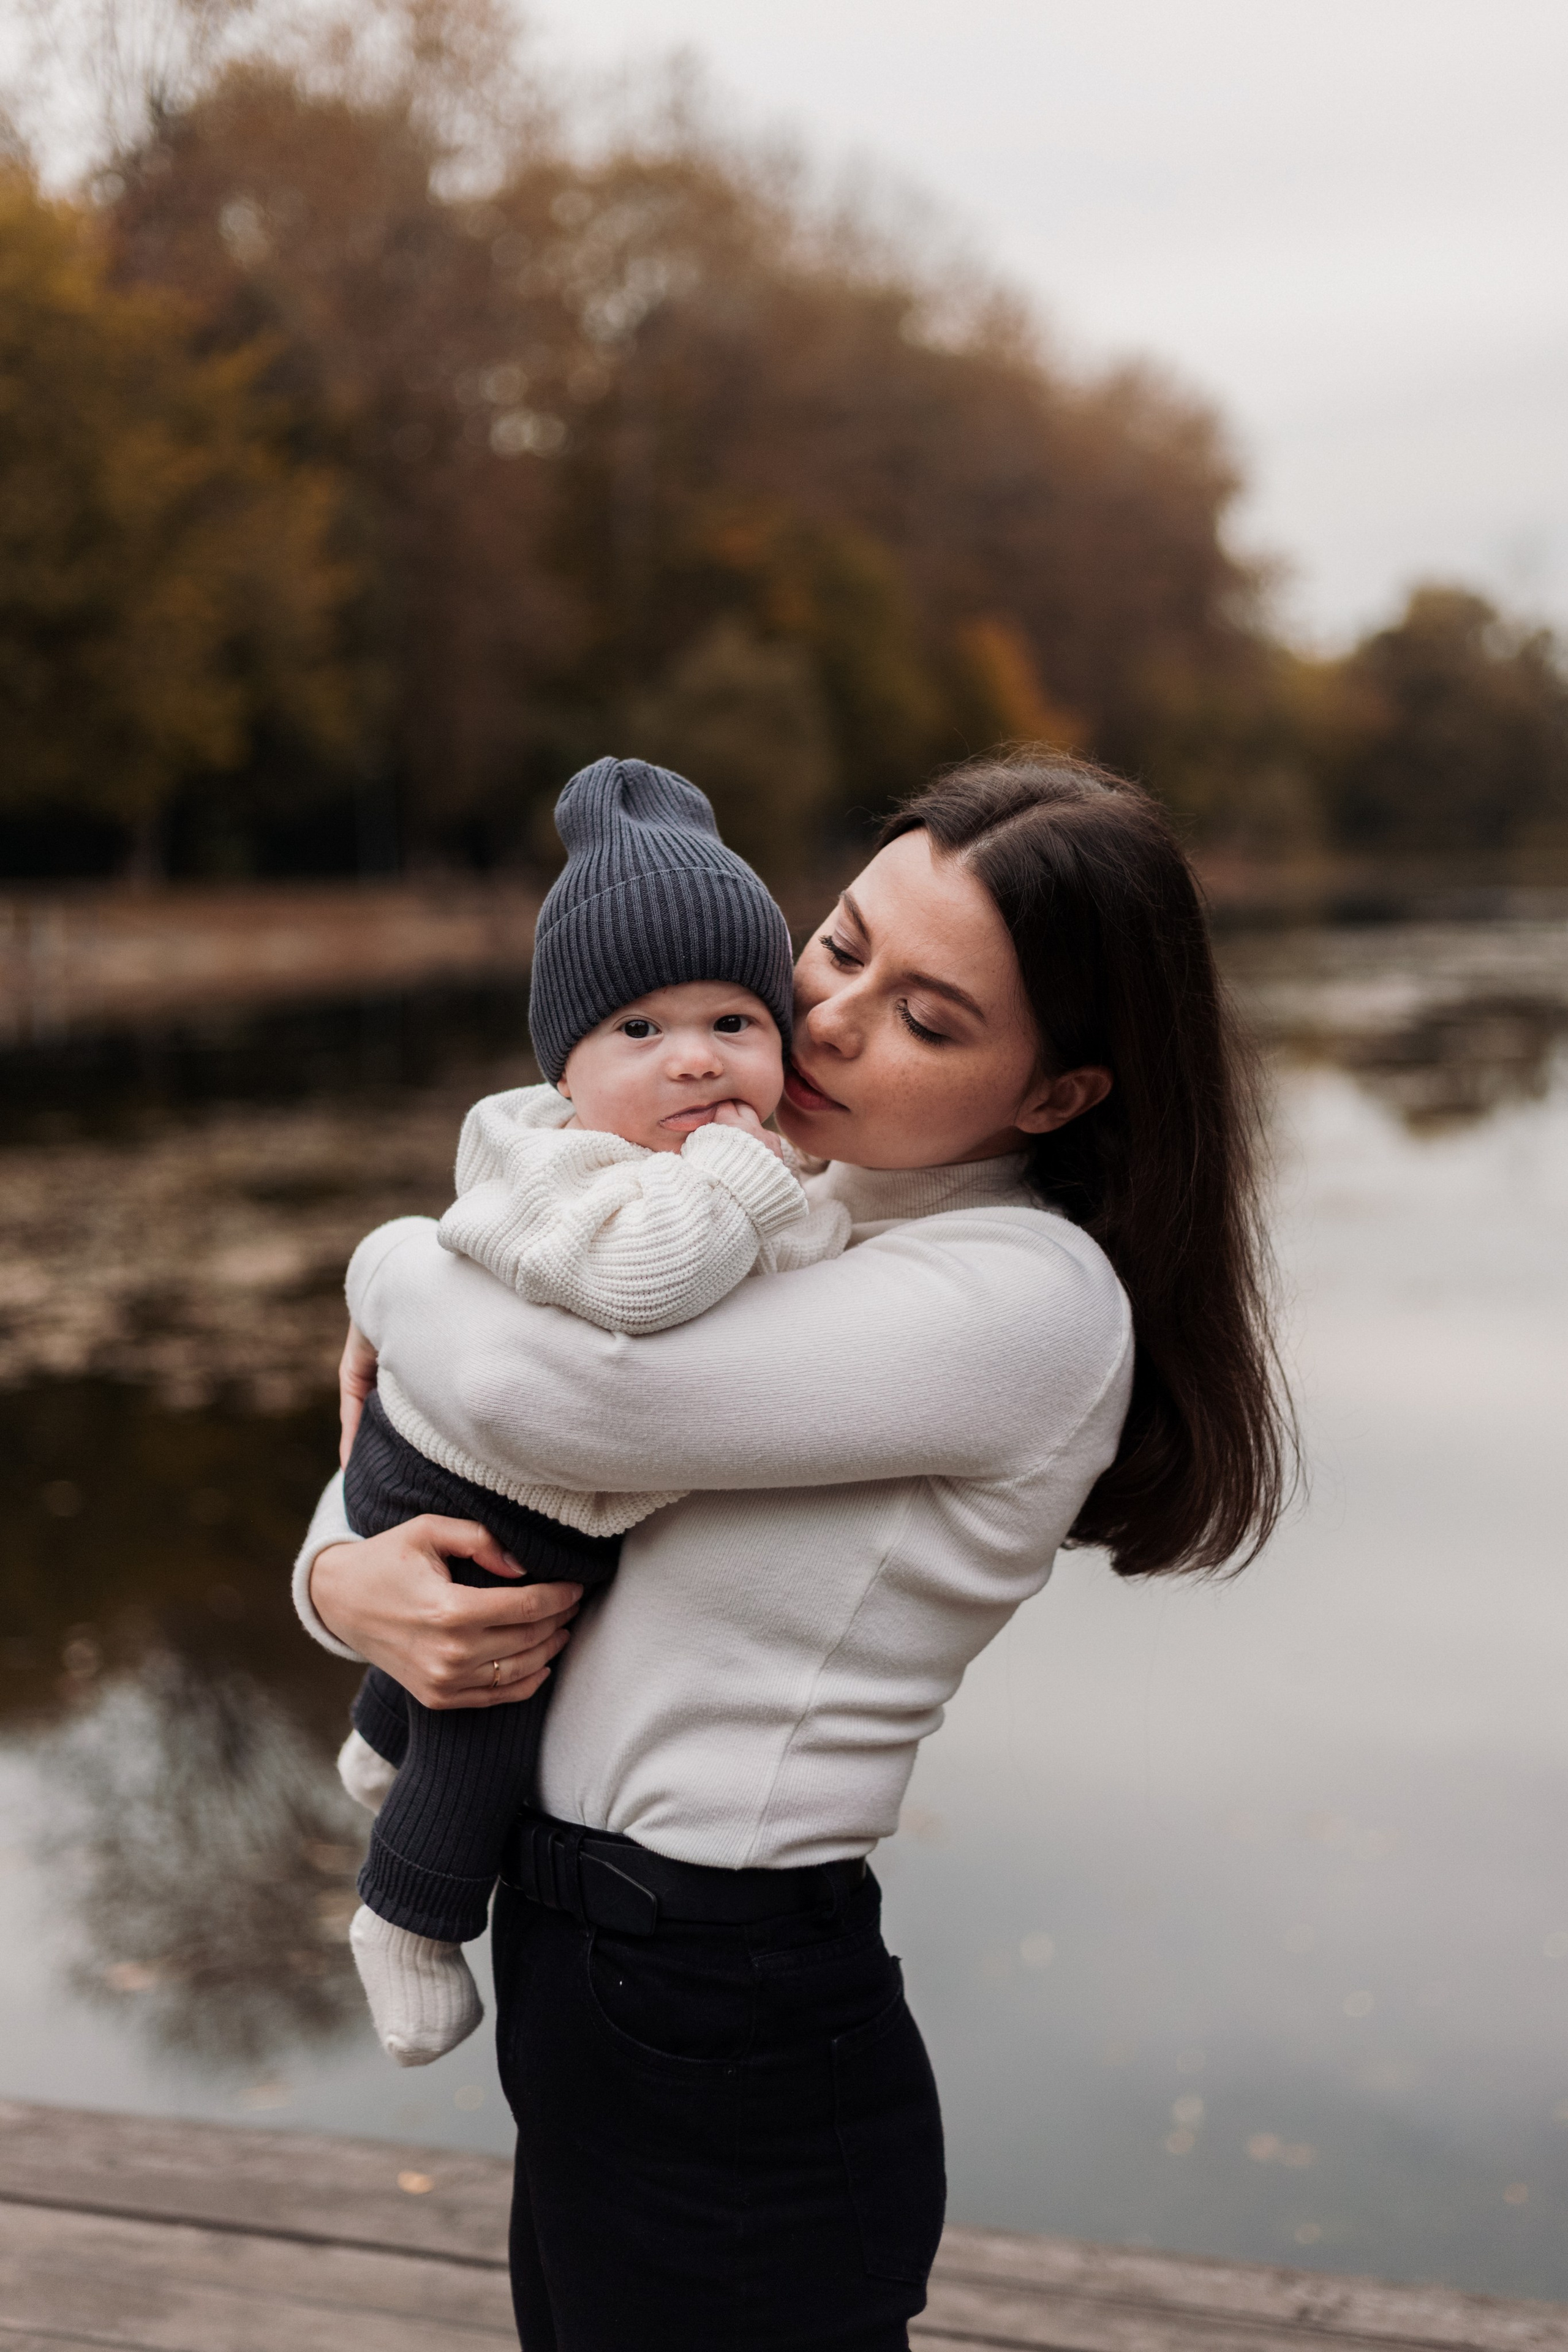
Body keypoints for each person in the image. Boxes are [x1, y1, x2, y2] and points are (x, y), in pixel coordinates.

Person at [296, 748, 1292, 2352]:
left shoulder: (1022, 1299)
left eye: (927, 1020)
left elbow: (542, 1399)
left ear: (1057, 1095)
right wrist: (343, 1586)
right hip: (583, 1965)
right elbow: (446, 1448)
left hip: (721, 1996)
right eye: (838, 945)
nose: (827, 1021)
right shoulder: (766, 1200)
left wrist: (388, 1261)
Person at [337, 756, 850, 2064]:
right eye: (639, 1032)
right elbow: (645, 1284)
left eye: (734, 1021)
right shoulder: (565, 1170)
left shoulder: (691, 1158)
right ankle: (407, 1913)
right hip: (460, 1480)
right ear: (565, 1070)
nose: (695, 1058)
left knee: (477, 1658)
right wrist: (747, 1166)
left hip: (492, 1461)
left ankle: (378, 1738)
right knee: (497, 1701)